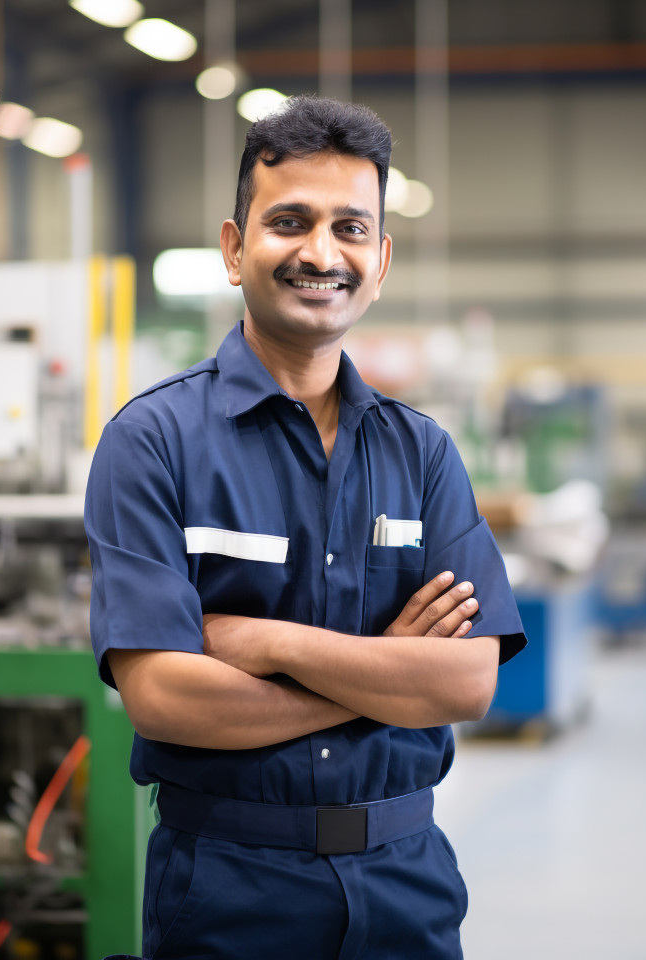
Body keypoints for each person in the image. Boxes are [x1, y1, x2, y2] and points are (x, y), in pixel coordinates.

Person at [85, 95, 526, 960]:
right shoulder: (152, 443)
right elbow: (163, 697)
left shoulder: (423, 454)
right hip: (226, 888)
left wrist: (266, 642)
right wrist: (384, 676)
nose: (322, 252)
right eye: (290, 221)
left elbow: (467, 682)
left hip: (409, 886)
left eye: (350, 228)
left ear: (382, 257)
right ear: (234, 246)